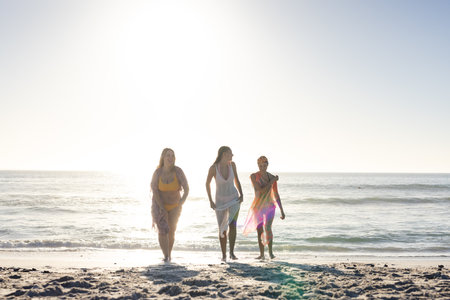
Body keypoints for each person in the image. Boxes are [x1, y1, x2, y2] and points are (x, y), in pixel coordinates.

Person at [243, 156, 285, 259]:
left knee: (268, 228)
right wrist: (272, 181)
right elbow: (260, 190)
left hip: (270, 206)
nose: (262, 167)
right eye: (260, 165)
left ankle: (270, 253)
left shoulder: (271, 177)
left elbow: (276, 194)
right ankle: (262, 254)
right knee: (259, 229)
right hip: (257, 206)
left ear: (267, 165)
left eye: (264, 165)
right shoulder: (253, 176)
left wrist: (282, 210)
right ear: (258, 165)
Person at [150, 148, 189, 262]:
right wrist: (161, 207)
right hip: (159, 205)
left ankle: (169, 254)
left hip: (175, 206)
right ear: (163, 157)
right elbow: (155, 190)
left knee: (171, 230)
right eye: (168, 155)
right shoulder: (157, 173)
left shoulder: (178, 171)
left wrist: (181, 202)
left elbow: (186, 189)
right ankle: (166, 255)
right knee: (162, 230)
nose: (170, 158)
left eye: (172, 156)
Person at [206, 146, 244, 261]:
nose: (232, 156)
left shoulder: (232, 165)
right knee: (222, 228)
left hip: (234, 199)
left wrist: (241, 194)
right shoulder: (213, 168)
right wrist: (210, 200)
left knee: (233, 225)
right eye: (230, 154)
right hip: (220, 202)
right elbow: (207, 184)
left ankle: (231, 253)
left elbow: (236, 180)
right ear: (223, 154)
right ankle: (223, 255)